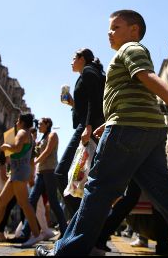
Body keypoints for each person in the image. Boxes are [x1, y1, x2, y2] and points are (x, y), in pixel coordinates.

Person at [35, 10, 168, 257]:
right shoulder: (124, 55)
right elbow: (131, 93)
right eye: (109, 29)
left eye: (115, 27)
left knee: (98, 189)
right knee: (164, 192)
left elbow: (146, 75)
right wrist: (107, 121)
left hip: (127, 129)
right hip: (148, 131)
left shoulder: (130, 49)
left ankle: (66, 252)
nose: (109, 33)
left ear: (134, 30)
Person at [0, 113, 47, 247]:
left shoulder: (22, 132)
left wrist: (5, 147)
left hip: (19, 173)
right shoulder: (29, 135)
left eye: (17, 120)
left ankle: (37, 235)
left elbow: (17, 148)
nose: (16, 122)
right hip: (17, 172)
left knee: (24, 204)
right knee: (1, 202)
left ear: (21, 121)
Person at [54, 48, 105, 219]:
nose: (71, 62)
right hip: (87, 125)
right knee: (80, 177)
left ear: (82, 58)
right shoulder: (90, 72)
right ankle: (82, 222)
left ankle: (80, 221)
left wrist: (88, 126)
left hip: (86, 127)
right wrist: (72, 103)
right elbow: (87, 103)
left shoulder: (89, 71)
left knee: (62, 173)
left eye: (73, 58)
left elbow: (95, 100)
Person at [21, 117, 67, 240]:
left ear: (47, 124)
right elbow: (34, 151)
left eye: (41, 124)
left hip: (50, 172)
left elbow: (47, 152)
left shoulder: (53, 135)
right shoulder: (41, 138)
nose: (39, 126)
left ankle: (64, 230)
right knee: (32, 201)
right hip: (41, 173)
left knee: (53, 202)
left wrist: (34, 163)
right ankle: (25, 233)